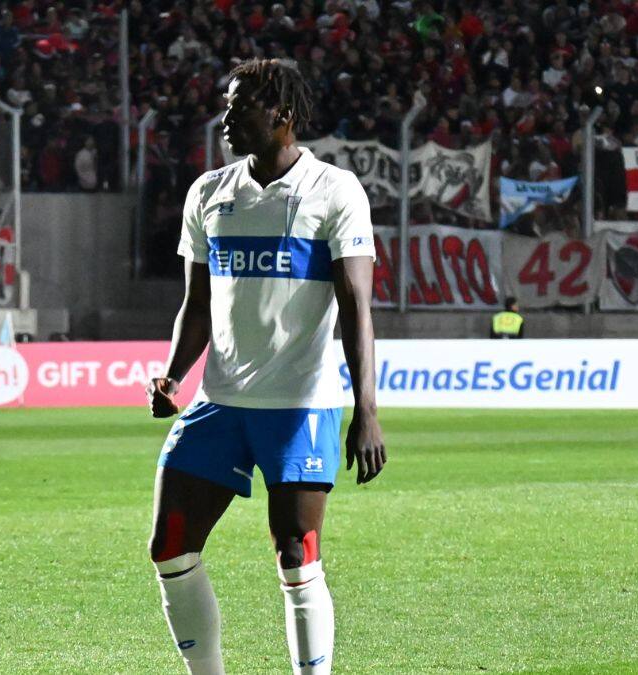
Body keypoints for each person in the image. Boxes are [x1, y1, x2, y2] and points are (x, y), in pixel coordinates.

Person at [144, 59, 386, 674]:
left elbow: (357, 307)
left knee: (296, 556)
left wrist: (367, 413)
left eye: (240, 105)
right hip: (220, 403)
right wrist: (175, 375)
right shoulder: (209, 193)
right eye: (226, 104)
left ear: (282, 116)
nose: (226, 117)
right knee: (170, 548)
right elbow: (197, 303)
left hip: (300, 404)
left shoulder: (335, 191)